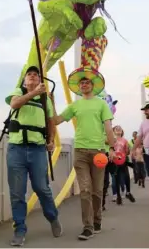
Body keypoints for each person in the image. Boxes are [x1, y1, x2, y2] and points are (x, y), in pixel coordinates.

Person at [51, 67, 116, 241]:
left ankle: (97, 221)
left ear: (93, 86)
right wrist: (51, 103)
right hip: (80, 151)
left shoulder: (102, 104)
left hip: (98, 153)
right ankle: (87, 226)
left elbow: (109, 128)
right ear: (79, 87)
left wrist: (112, 147)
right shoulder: (75, 106)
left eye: (87, 82)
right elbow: (56, 120)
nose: (84, 84)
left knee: (96, 190)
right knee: (85, 189)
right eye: (82, 82)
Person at [5, 66, 62, 247]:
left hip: (37, 149)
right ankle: (19, 229)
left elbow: (51, 121)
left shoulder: (46, 99)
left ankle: (52, 217)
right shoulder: (18, 92)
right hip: (16, 149)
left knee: (42, 188)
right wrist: (33, 92)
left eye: (36, 75)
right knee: (17, 192)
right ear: (24, 81)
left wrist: (51, 140)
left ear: (40, 80)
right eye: (29, 75)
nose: (33, 77)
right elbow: (14, 104)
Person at [113, 125, 136, 205]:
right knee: (116, 179)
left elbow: (127, 152)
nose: (118, 129)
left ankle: (128, 193)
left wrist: (128, 150)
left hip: (123, 161)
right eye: (116, 128)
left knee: (126, 177)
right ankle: (118, 196)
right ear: (114, 131)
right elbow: (110, 149)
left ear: (122, 131)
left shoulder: (125, 140)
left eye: (120, 129)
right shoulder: (112, 140)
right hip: (115, 161)